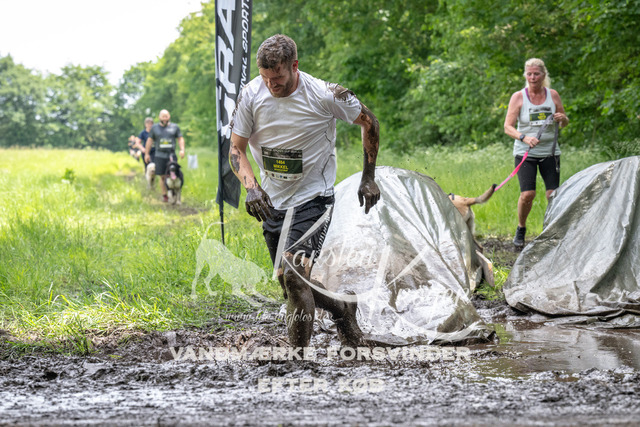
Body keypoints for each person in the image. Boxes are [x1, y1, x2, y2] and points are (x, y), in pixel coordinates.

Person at [229, 34, 380, 348]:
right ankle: (343, 308)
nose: (271, 85)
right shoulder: (251, 95)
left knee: (295, 276)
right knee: (289, 284)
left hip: (314, 197)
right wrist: (251, 187)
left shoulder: (326, 94)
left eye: (278, 78)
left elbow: (370, 123)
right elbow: (236, 149)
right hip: (272, 200)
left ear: (294, 66)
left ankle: (297, 360)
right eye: (265, 77)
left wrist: (368, 177)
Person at [504, 58, 569, 248]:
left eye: (536, 74)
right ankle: (521, 228)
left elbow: (564, 122)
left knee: (553, 195)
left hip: (550, 152)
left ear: (543, 75)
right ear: (525, 75)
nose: (533, 77)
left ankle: (552, 231)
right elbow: (508, 127)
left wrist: (562, 118)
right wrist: (524, 137)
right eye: (529, 74)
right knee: (528, 194)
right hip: (526, 153)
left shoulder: (553, 95)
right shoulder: (518, 97)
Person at [145, 110, 185, 202]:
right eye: (163, 116)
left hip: (171, 155)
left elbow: (180, 138)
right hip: (159, 155)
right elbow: (149, 140)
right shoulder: (155, 128)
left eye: (166, 116)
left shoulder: (175, 127)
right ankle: (165, 195)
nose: (165, 118)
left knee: (174, 174)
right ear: (159, 117)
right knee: (162, 176)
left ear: (169, 116)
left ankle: (174, 192)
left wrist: (182, 149)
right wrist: (147, 153)